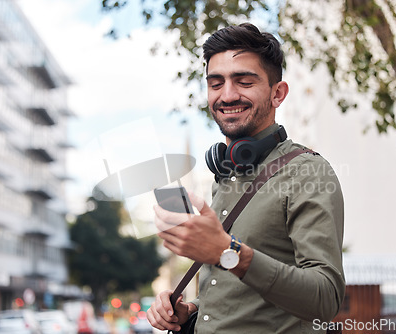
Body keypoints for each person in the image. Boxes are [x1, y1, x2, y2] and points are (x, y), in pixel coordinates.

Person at [148, 23, 345, 333]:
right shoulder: (225, 174)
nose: (227, 95)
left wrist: (228, 253)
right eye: (216, 84)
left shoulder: (307, 171)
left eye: (243, 82)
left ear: (277, 93)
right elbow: (233, 290)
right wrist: (191, 310)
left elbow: (326, 298)